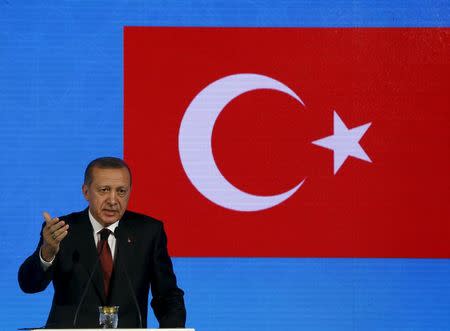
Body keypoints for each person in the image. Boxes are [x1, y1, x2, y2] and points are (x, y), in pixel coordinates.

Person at [18, 157, 186, 328]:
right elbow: (30, 285)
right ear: (86, 192)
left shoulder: (148, 232)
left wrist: (172, 327)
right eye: (104, 190)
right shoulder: (62, 230)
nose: (113, 201)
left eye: (121, 191)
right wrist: (47, 251)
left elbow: (167, 296)